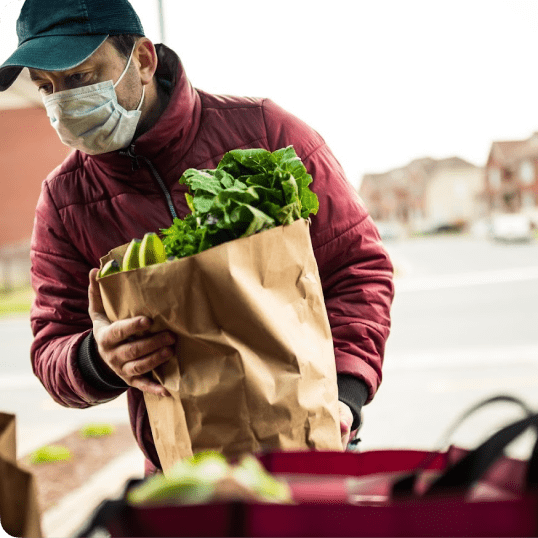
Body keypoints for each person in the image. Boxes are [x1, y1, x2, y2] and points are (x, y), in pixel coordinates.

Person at [0, 0, 394, 474]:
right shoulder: (63, 202)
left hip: (313, 440)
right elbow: (51, 349)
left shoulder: (265, 131)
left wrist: (346, 397)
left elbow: (358, 270)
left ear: (142, 60)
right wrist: (98, 358)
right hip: (181, 470)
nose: (61, 101)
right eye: (46, 87)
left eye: (79, 77)